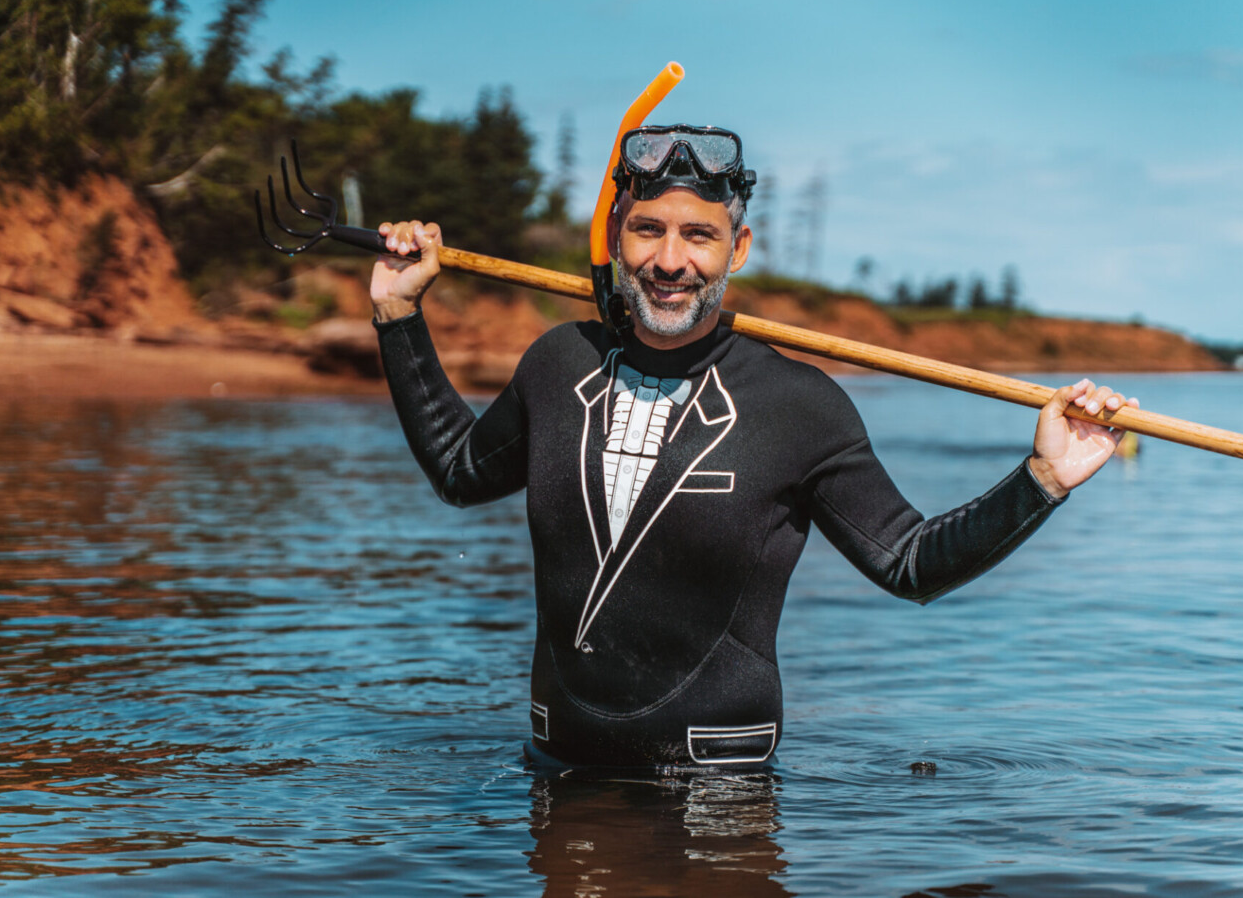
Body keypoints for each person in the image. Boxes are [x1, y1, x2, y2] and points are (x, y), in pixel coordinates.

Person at [369, 124, 1136, 768]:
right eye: (648, 229)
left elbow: (909, 564)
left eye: (699, 235)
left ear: (738, 249)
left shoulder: (799, 405)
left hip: (721, 800)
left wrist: (1042, 478)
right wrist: (399, 317)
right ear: (615, 239)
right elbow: (460, 471)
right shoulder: (558, 362)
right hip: (556, 772)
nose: (671, 262)